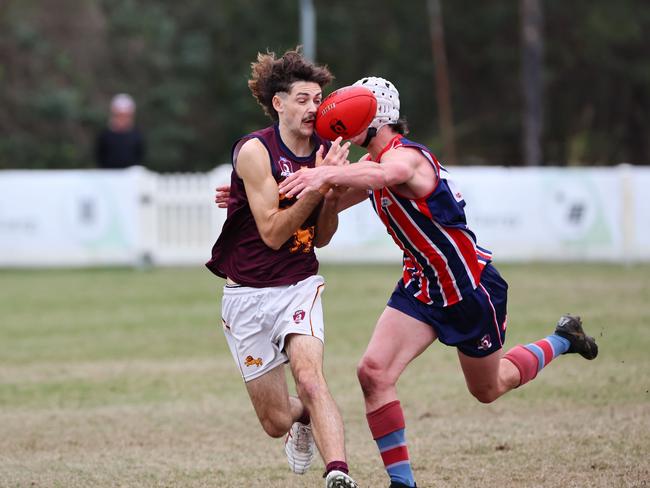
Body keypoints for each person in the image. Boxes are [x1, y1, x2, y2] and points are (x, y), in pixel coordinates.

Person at [277, 76, 599, 488]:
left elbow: (384, 175)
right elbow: (332, 197)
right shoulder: (372, 165)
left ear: (377, 117)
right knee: (373, 374)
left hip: (468, 289)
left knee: (489, 387)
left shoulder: (407, 158)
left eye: (353, 111)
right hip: (420, 285)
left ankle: (564, 339)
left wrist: (329, 179)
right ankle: (403, 483)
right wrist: (257, 191)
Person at [205, 48, 359, 488]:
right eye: (304, 99)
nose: (314, 108)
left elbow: (324, 235)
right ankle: (303, 418)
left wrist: (328, 193)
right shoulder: (255, 151)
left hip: (299, 284)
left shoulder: (327, 152)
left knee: (310, 377)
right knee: (275, 421)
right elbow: (272, 232)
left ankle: (338, 474)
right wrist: (315, 188)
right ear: (279, 103)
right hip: (246, 296)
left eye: (318, 100)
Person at [95, 93, 146, 168]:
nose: (122, 119)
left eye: (126, 116)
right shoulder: (105, 135)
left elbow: (139, 156)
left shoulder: (137, 135)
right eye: (119, 115)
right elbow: (100, 156)